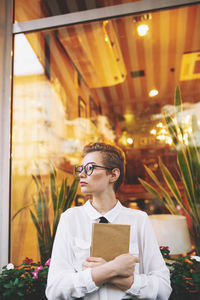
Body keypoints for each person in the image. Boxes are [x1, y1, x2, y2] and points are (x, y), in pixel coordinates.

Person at [46, 142, 172, 300]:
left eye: (90, 168)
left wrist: (113, 275)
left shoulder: (139, 220)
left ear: (113, 175)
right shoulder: (70, 219)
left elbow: (162, 289)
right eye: (81, 168)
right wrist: (113, 268)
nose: (81, 174)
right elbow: (55, 289)